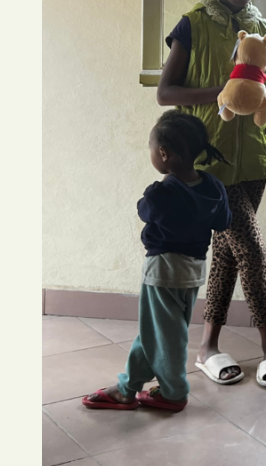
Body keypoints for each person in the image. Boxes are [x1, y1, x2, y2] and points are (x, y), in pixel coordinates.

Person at [156, 0, 266, 388]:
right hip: (207, 159)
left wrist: (264, 95)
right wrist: (223, 92)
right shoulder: (192, 24)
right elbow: (165, 93)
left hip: (253, 158)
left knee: (228, 256)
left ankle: (207, 346)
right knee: (250, 248)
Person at [83, 111, 232, 412]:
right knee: (157, 331)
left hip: (162, 271)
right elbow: (223, 222)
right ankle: (127, 387)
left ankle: (174, 392)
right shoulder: (214, 187)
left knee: (167, 336)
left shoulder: (160, 193)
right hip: (192, 271)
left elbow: (144, 210)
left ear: (163, 153)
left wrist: (162, 185)